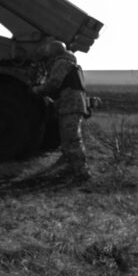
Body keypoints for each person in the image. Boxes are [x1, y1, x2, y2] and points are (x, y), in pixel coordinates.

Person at [32, 38, 92, 183]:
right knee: (67, 140)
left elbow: (53, 83)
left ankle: (81, 172)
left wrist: (37, 90)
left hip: (70, 105)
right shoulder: (69, 62)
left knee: (72, 140)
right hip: (71, 104)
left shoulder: (61, 63)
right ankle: (70, 169)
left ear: (53, 52)